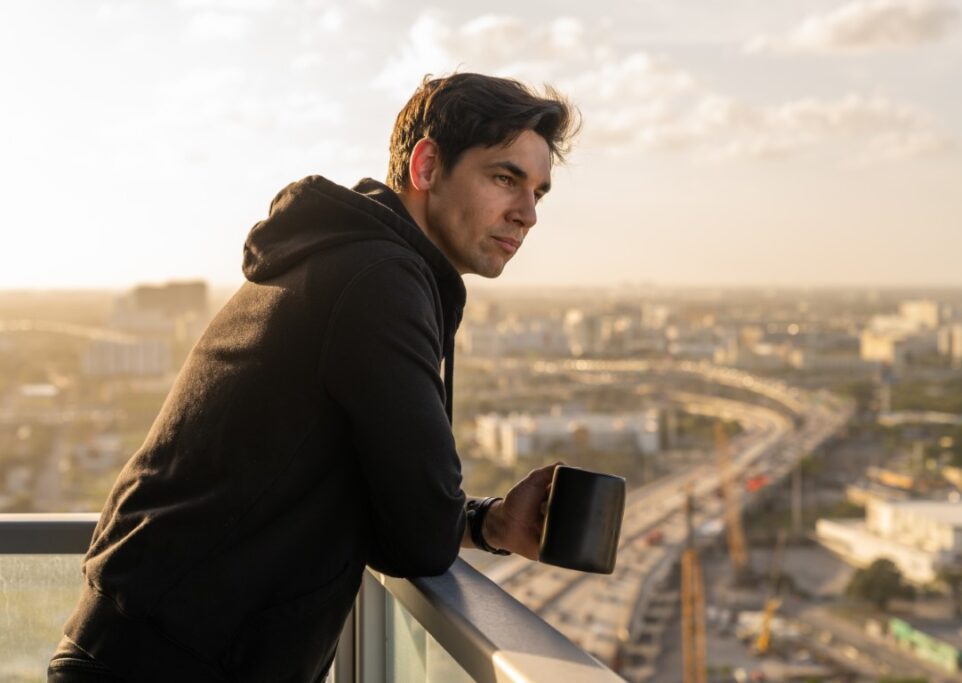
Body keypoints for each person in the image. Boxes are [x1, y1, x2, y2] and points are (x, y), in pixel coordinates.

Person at [48, 72, 580, 682]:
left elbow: (388, 511)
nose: (528, 214)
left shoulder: (350, 260)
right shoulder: (378, 279)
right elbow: (416, 540)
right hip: (167, 663)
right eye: (505, 178)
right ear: (427, 165)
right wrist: (453, 521)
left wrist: (486, 524)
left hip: (153, 647)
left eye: (538, 192)